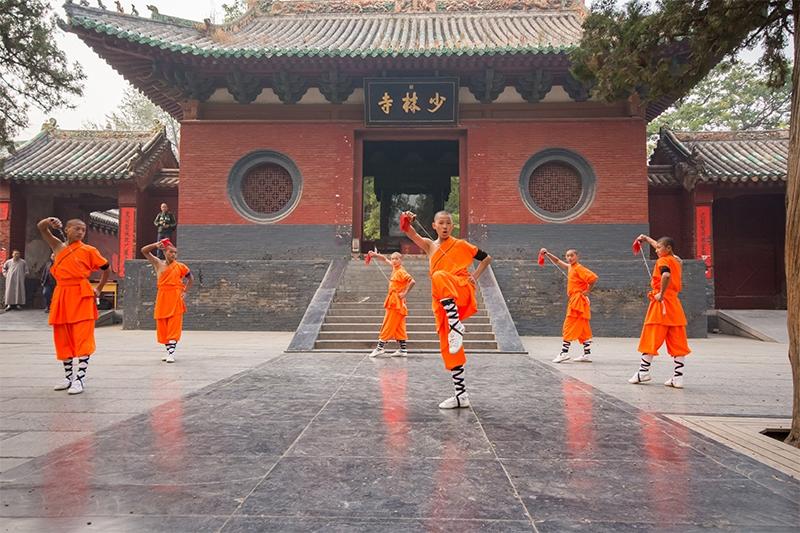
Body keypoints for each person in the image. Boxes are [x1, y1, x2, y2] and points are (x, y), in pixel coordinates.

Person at [400, 210, 492, 409]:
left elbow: (486, 258)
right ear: (434, 225)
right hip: (442, 300)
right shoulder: (429, 245)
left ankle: (456, 323)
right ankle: (461, 395)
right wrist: (407, 218)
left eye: (448, 223)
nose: (444, 226)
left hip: (459, 287)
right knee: (449, 346)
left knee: (439, 275)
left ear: (452, 226)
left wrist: (474, 276)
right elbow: (408, 231)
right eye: (440, 223)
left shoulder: (460, 244)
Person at [37, 217, 110, 395]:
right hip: (62, 293)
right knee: (63, 336)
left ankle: (80, 379)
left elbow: (106, 268)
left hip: (81, 293)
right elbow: (41, 228)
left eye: (83, 230)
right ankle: (68, 377)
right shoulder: (57, 246)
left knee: (83, 336)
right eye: (76, 229)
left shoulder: (89, 250)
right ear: (67, 229)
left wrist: (99, 288)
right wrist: (49, 221)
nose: (80, 232)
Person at [628, 235, 690, 388]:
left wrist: (661, 294)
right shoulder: (677, 260)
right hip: (675, 306)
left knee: (651, 338)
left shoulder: (663, 261)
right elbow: (661, 246)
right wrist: (647, 239)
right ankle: (678, 377)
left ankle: (643, 372)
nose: (656, 250)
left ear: (668, 248)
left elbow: (666, 274)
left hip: (661, 305)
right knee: (678, 342)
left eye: (658, 248)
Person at [540, 248, 599, 363]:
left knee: (568, 325)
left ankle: (564, 353)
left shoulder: (579, 268)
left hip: (577, 300)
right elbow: (557, 261)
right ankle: (586, 354)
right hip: (577, 300)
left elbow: (593, 278)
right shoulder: (570, 267)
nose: (569, 258)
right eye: (567, 256)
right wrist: (547, 254)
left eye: (572, 255)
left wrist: (588, 291)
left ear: (577, 256)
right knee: (583, 328)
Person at [141, 240, 193, 363]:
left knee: (174, 326)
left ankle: (171, 353)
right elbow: (144, 251)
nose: (173, 255)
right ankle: (168, 351)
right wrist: (155, 245)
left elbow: (191, 278)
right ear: (165, 252)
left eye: (175, 253)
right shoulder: (158, 263)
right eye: (171, 252)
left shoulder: (180, 266)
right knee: (163, 326)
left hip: (175, 297)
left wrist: (185, 291)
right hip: (162, 296)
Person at [368, 251, 416, 358]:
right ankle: (403, 349)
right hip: (396, 302)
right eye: (392, 258)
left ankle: (380, 348)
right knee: (399, 326)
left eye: (396, 259)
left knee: (388, 323)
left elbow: (412, 281)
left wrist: (405, 293)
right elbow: (385, 260)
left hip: (396, 302)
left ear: (400, 260)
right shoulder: (395, 268)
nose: (393, 261)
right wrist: (375, 255)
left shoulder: (401, 271)